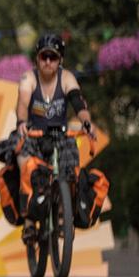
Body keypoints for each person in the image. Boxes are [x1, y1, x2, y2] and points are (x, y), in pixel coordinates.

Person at [15, 33, 97, 241]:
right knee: (27, 166)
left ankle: (63, 214)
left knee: (72, 172)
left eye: (53, 57)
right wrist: (22, 122)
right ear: (37, 59)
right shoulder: (29, 78)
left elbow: (78, 102)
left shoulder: (67, 78)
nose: (48, 62)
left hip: (60, 135)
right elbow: (23, 103)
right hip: (34, 134)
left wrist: (87, 122)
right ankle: (29, 222)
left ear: (60, 59)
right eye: (44, 57)